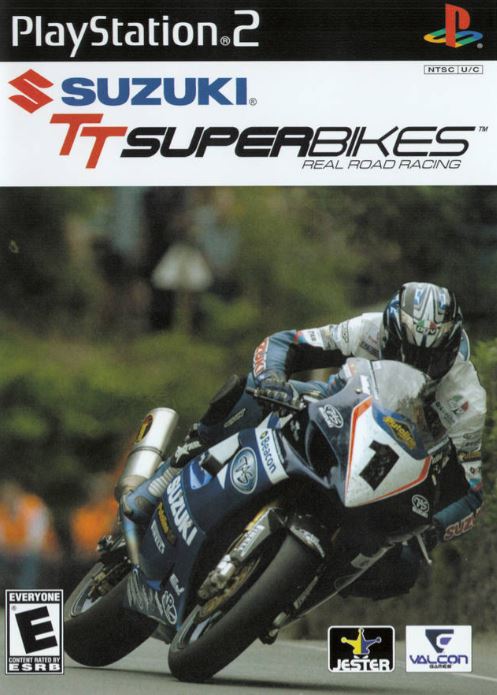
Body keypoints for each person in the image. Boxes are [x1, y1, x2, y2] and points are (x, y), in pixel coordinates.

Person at [122, 282, 486, 599]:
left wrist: (435, 528)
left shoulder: (467, 399)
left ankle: (295, 593)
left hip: (392, 467)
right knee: (247, 394)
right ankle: (169, 474)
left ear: (451, 348)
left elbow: (470, 492)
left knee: (402, 566)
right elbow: (286, 342)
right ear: (390, 331)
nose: (415, 363)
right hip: (333, 411)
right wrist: (272, 379)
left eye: (429, 357)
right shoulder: (368, 329)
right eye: (406, 350)